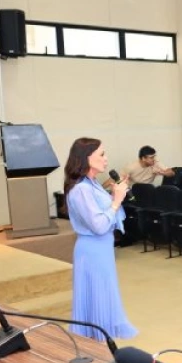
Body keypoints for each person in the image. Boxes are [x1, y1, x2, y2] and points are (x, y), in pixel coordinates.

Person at [64, 138, 137, 340]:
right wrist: (116, 200)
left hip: (102, 248)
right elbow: (99, 225)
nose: (106, 159)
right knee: (97, 296)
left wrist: (115, 195)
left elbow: (107, 216)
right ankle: (97, 341)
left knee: (104, 294)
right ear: (86, 158)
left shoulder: (93, 184)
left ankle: (101, 339)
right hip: (92, 250)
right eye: (102, 154)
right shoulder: (81, 189)